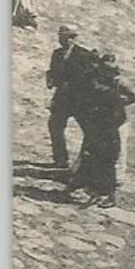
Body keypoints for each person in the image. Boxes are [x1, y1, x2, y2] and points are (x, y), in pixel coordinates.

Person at [65, 53, 135, 209]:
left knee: (109, 160)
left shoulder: (116, 87)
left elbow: (131, 99)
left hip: (112, 126)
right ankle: (82, 182)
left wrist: (117, 105)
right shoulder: (94, 79)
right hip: (98, 125)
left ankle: (110, 192)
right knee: (90, 154)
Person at [45, 26, 92, 169]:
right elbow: (52, 71)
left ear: (73, 39)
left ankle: (86, 163)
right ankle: (60, 159)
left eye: (67, 37)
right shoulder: (57, 54)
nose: (63, 41)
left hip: (79, 99)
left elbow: (89, 77)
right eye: (61, 37)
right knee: (55, 126)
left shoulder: (85, 54)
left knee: (89, 130)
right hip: (61, 98)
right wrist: (50, 80)